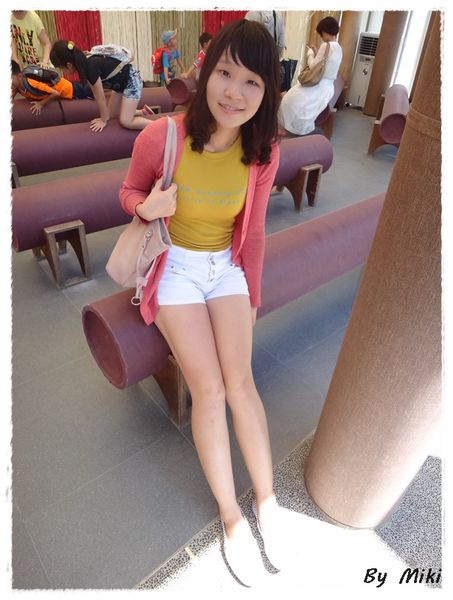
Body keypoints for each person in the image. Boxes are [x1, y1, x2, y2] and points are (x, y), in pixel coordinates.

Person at [119, 19, 288, 585]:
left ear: (267, 92)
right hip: (174, 269)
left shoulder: (262, 152)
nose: (234, 93)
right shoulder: (160, 136)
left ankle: (267, 500)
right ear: (206, 71)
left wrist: (252, 296)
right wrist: (146, 208)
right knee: (209, 389)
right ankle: (232, 517)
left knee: (242, 384)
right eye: (226, 74)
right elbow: (128, 192)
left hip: (226, 268)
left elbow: (254, 232)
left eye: (252, 82)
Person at [49, 40, 150, 132]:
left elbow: (100, 97)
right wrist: (105, 116)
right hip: (120, 83)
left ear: (69, 65)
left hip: (131, 81)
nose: (62, 72)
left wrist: (103, 120)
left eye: (61, 68)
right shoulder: (84, 61)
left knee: (126, 122)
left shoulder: (89, 67)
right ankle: (142, 112)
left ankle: (157, 125)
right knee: (112, 114)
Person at [278, 16, 342, 137]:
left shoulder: (326, 46)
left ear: (325, 31)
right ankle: (300, 135)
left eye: (321, 33)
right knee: (307, 114)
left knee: (289, 101)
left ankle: (288, 132)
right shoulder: (338, 48)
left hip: (316, 84)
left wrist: (310, 54)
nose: (321, 37)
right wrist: (317, 53)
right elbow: (325, 66)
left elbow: (313, 67)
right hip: (327, 88)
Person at [11, 59, 93, 115]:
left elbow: (56, 93)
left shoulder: (32, 82)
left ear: (19, 76)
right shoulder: (16, 87)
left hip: (68, 89)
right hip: (63, 90)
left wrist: (40, 104)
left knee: (91, 91)